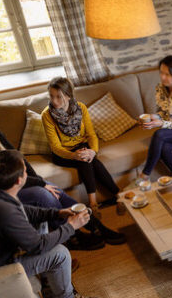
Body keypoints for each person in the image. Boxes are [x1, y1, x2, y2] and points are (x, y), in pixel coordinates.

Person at [0, 96, 123, 249]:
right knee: (42, 194)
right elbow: (3, 179)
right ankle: (71, 236)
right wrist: (41, 185)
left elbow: (20, 161)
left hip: (1, 188)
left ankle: (94, 226)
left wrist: (41, 180)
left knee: (52, 189)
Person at [0, 150, 102, 298]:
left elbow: (21, 210)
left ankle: (46, 275)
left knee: (41, 223)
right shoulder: (1, 209)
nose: (27, 173)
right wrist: (71, 226)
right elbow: (38, 245)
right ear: (19, 180)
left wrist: (57, 213)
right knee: (61, 254)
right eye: (25, 171)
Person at [42, 77, 120, 212]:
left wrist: (93, 151)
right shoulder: (47, 115)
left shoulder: (81, 108)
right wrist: (74, 155)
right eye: (51, 96)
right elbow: (55, 147)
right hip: (62, 154)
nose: (54, 101)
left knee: (89, 158)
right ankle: (103, 200)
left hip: (81, 147)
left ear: (68, 96)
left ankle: (102, 201)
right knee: (85, 160)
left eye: (58, 97)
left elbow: (91, 134)